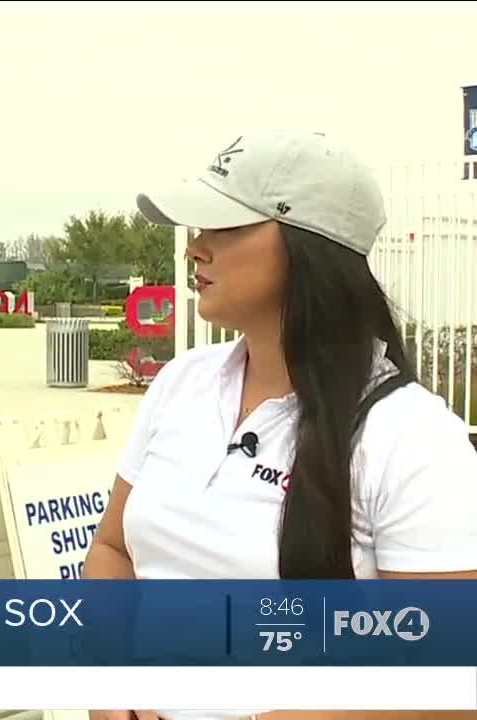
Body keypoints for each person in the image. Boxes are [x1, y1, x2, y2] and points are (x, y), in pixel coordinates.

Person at [84, 130, 477, 720]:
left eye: (223, 226)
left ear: (308, 247)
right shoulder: (180, 384)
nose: (194, 248)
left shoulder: (410, 437)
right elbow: (113, 547)